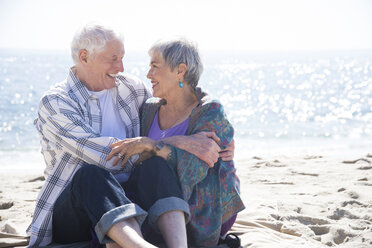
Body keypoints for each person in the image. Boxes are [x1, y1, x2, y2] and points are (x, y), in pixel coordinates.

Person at [28, 24, 228, 248]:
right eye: (113, 59)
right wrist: (173, 143)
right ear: (84, 57)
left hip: (131, 201)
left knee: (155, 166)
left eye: (122, 58)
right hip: (74, 212)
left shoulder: (131, 88)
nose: (120, 67)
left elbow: (177, 98)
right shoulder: (56, 102)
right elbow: (109, 156)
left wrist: (217, 134)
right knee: (91, 174)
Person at [107, 38, 245, 247]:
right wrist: (178, 142)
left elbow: (195, 168)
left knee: (155, 165)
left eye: (155, 66)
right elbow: (138, 158)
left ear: (180, 70)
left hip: (206, 209)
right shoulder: (149, 109)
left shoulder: (209, 111)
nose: (148, 74)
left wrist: (153, 145)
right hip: (161, 200)